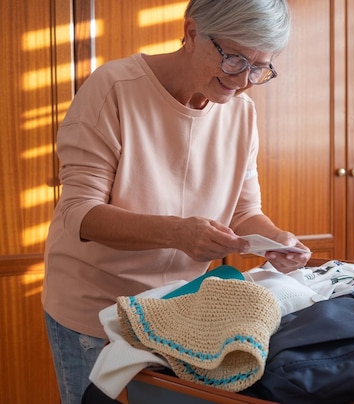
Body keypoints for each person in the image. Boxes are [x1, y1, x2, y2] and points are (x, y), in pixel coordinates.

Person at [42, 0, 310, 402]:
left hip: (179, 312)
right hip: (98, 312)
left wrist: (276, 240)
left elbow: (244, 211)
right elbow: (80, 213)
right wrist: (177, 233)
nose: (244, 80)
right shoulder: (114, 88)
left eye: (260, 68)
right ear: (190, 33)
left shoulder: (241, 113)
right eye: (235, 58)